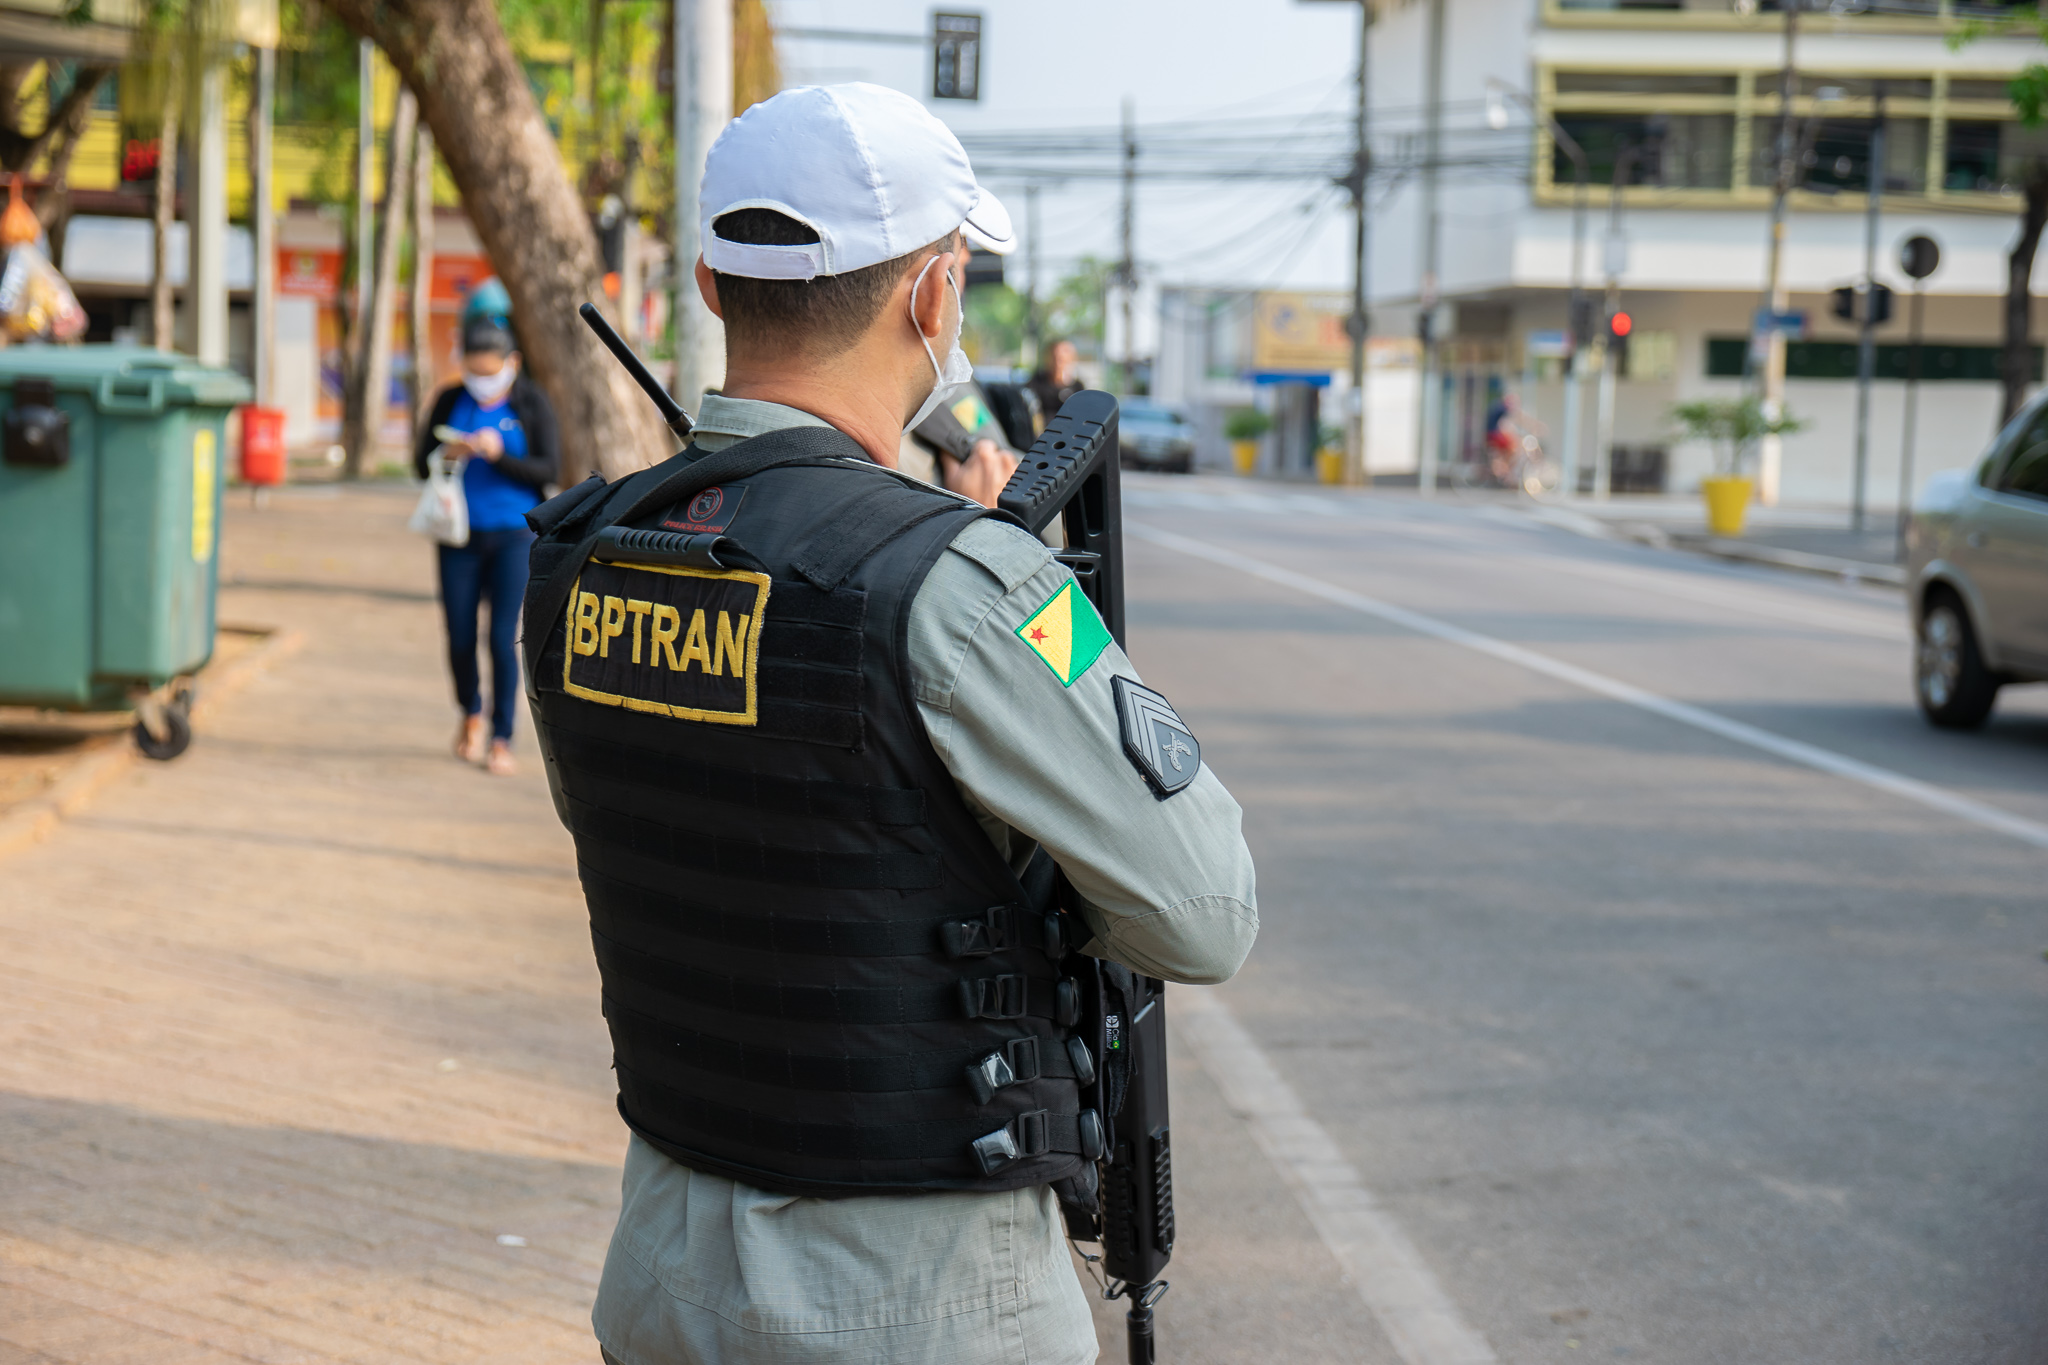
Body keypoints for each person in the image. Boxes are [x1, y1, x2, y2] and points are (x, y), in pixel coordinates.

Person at [519, 82, 1257, 1365]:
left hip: (663, 1277)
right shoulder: (964, 584)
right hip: (915, 1305)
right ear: (932, 294)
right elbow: (1205, 913)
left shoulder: (583, 554)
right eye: (956, 284)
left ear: (708, 283)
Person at [415, 315, 559, 774]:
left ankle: (502, 736)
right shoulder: (450, 400)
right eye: (473, 371)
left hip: (514, 536)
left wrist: (500, 457)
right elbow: (420, 464)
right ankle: (470, 712)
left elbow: (547, 470)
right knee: (459, 635)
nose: (480, 381)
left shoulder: (532, 402)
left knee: (501, 638)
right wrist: (447, 453)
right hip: (458, 535)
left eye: (489, 371)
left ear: (512, 363)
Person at [1027, 336, 1082, 429]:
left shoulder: (1077, 388)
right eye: (1054, 358)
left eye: (1062, 360)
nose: (1057, 363)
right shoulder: (1037, 382)